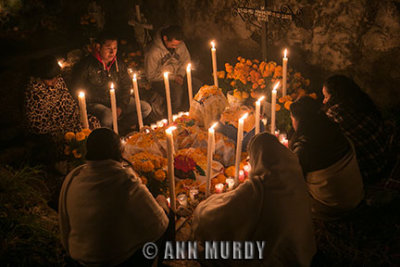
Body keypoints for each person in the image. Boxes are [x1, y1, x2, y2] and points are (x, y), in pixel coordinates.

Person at [192, 133, 316, 266]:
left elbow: (217, 216)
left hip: (275, 259)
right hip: (302, 250)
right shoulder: (293, 173)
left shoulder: (259, 186)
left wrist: (202, 209)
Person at [59, 128, 170, 266]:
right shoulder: (125, 179)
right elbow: (160, 223)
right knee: (167, 218)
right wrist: (162, 202)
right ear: (118, 152)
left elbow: (64, 226)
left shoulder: (74, 177)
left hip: (79, 259)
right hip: (116, 261)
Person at [289, 96, 364, 220]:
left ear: (299, 120)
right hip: (356, 194)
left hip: (333, 206)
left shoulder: (305, 147)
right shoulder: (334, 128)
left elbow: (293, 180)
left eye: (292, 118)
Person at [72, 31, 152, 134]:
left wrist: (120, 106)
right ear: (98, 47)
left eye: (115, 48)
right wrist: (104, 104)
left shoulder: (119, 64)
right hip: (95, 103)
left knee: (145, 108)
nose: (112, 52)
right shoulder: (85, 66)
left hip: (117, 100)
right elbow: (77, 89)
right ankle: (107, 137)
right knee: (108, 115)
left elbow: (126, 86)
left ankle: (120, 129)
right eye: (108, 48)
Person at [322, 75, 391, 185]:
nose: (324, 101)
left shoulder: (335, 114)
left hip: (369, 173)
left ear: (335, 96)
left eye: (326, 97)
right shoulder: (360, 101)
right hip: (385, 161)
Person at [144, 25, 200, 117]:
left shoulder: (180, 45)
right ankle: (172, 117)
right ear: (165, 38)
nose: (175, 47)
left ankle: (189, 114)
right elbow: (151, 75)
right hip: (159, 79)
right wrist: (173, 77)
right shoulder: (153, 52)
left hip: (179, 75)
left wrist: (180, 75)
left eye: (177, 45)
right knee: (176, 93)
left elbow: (186, 61)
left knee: (196, 85)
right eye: (173, 45)